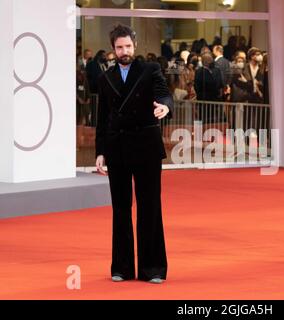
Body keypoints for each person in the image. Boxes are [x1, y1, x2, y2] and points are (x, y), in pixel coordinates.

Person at [95, 24, 173, 284]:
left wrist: (164, 106)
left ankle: (153, 269)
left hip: (146, 147)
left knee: (150, 207)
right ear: (113, 49)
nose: (124, 51)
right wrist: (100, 152)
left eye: (128, 46)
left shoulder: (150, 70)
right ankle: (122, 267)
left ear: (135, 46)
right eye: (119, 47)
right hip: (117, 148)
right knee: (120, 208)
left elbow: (164, 93)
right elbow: (102, 118)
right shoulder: (106, 78)